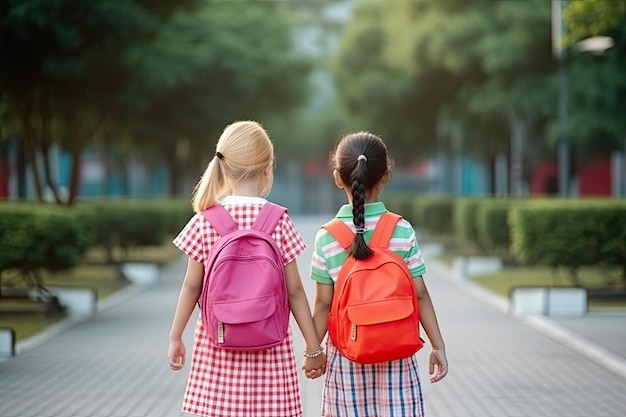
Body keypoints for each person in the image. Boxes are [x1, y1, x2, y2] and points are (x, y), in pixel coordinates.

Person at [168, 120, 326, 417]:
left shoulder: (206, 220)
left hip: (218, 350)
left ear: (223, 166)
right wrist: (313, 347)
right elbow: (294, 291)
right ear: (268, 167)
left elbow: (191, 286)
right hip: (271, 352)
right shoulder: (278, 219)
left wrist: (175, 336)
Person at [310, 131, 448, 417]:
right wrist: (438, 344)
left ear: (338, 178)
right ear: (386, 176)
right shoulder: (402, 229)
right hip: (396, 357)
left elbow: (323, 304)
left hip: (347, 359)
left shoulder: (327, 238)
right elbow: (420, 294)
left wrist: (313, 351)